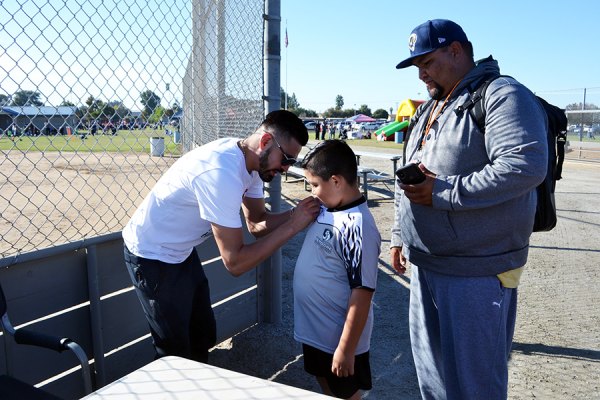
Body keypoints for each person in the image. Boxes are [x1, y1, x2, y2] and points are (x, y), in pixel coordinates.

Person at [390, 19, 548, 399]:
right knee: (434, 380)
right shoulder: (430, 107)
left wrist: (443, 191)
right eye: (417, 67)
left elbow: (525, 165)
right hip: (427, 264)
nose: (421, 73)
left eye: (426, 62)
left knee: (475, 385)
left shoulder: (502, 93)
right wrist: (399, 234)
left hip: (477, 269)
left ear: (456, 51)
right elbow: (409, 175)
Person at [123, 110, 321, 363]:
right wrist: (293, 227)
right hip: (151, 255)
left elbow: (257, 223)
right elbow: (235, 263)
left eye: (291, 162)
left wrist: (297, 214)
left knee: (202, 335)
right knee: (174, 352)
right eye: (286, 159)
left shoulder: (253, 165)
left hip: (180, 253)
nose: (285, 168)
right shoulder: (220, 171)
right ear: (265, 142)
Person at [294, 140, 381, 400]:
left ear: (336, 181)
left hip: (337, 338)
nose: (312, 193)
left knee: (347, 393)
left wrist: (346, 348)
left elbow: (362, 294)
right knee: (327, 387)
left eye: (315, 185)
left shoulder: (358, 225)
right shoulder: (328, 208)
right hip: (316, 333)